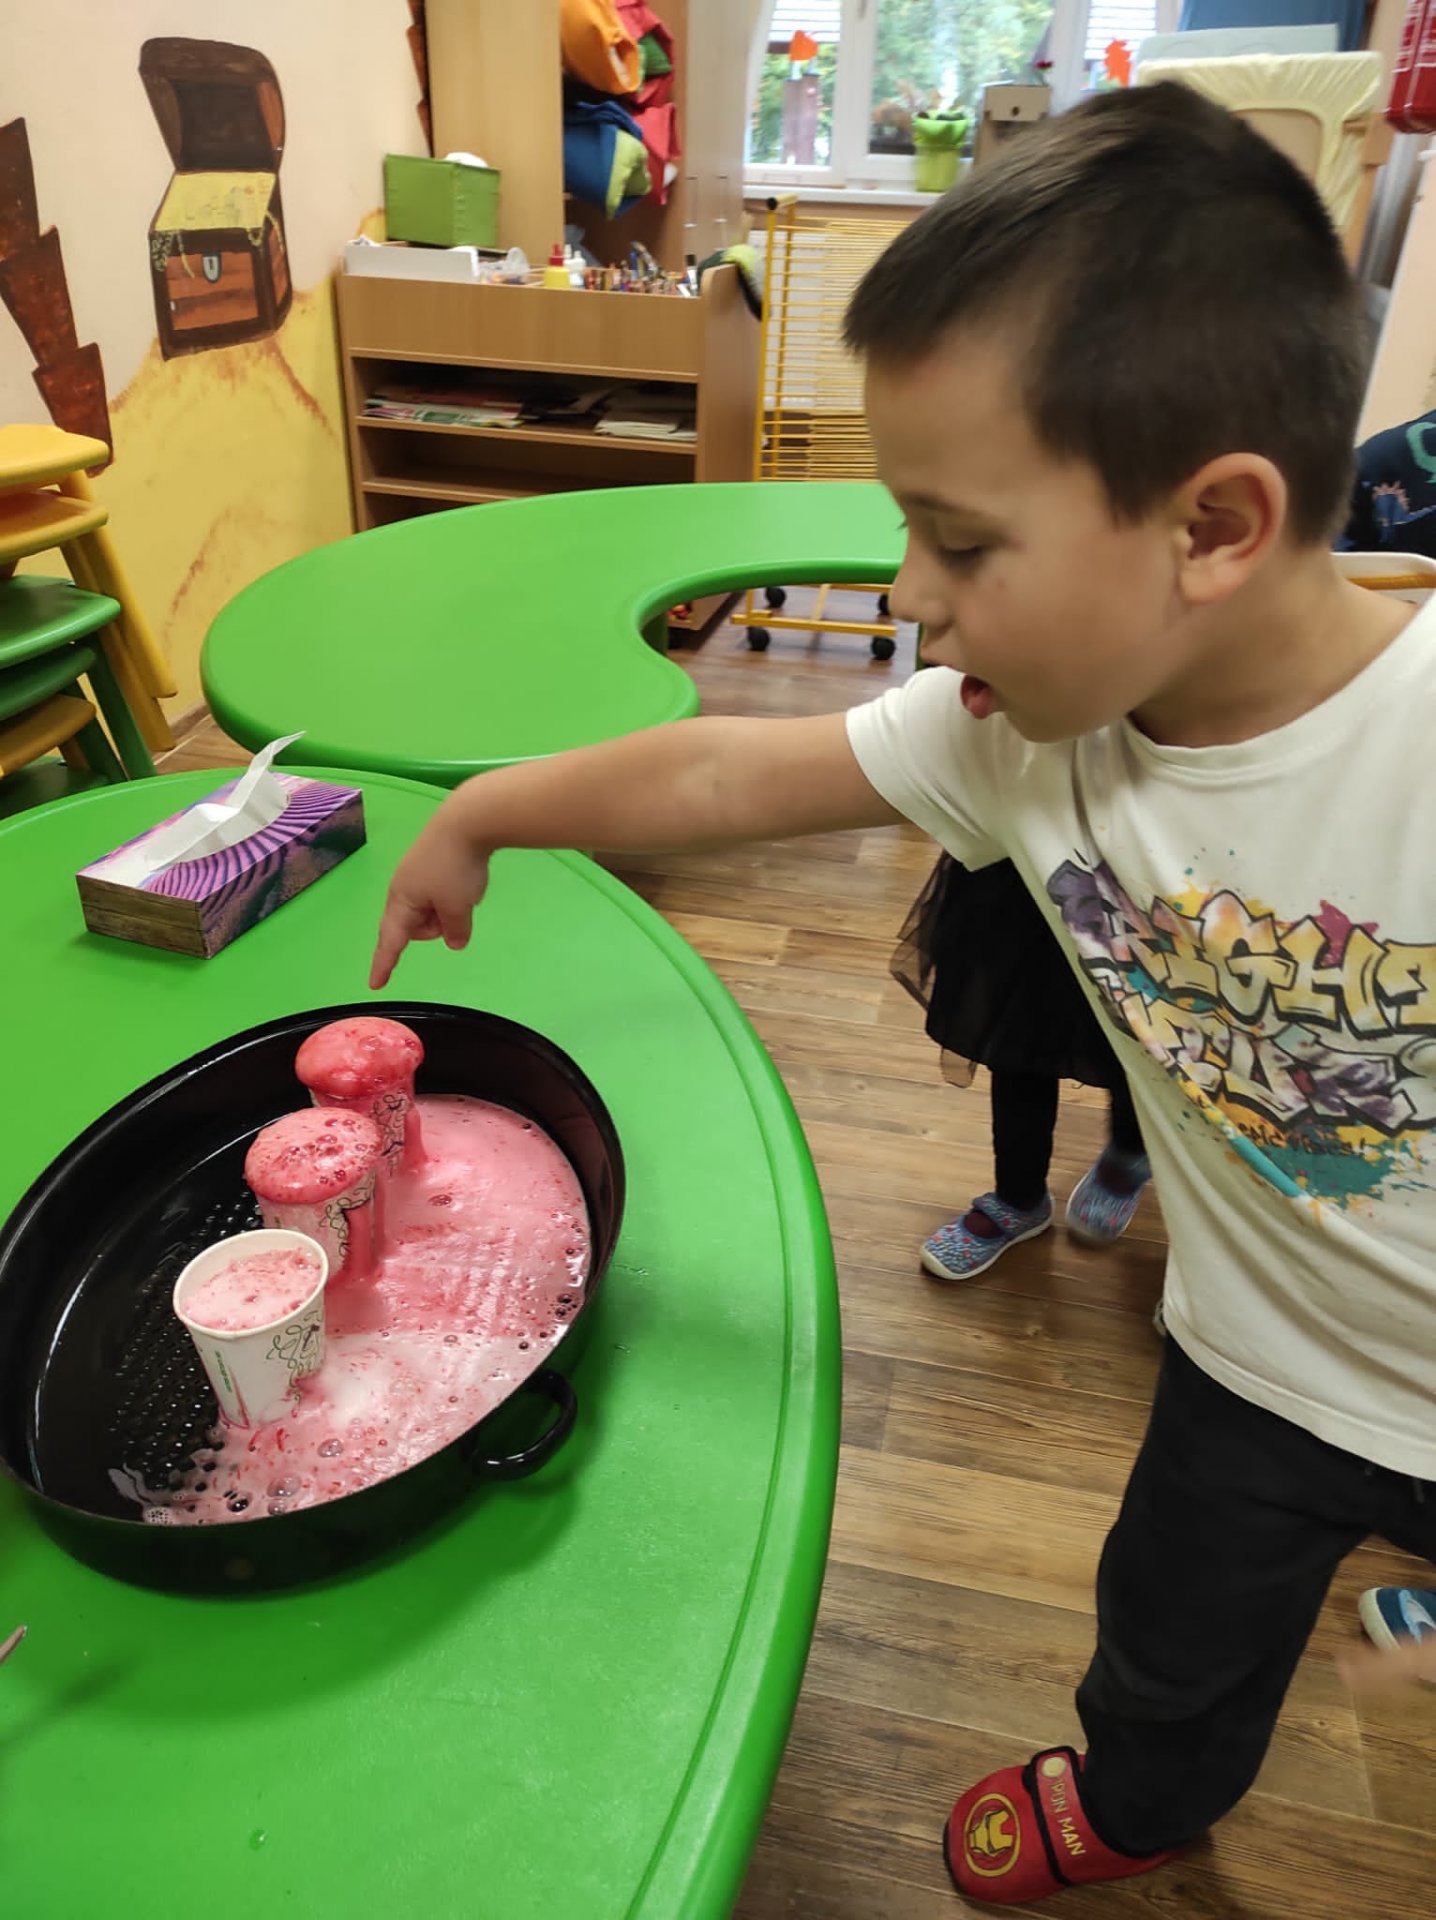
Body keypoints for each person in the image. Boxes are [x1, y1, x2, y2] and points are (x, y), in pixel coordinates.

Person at [372, 84, 1436, 1906]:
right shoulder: (1025, 734)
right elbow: (720, 772)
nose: (908, 598)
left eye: (960, 540)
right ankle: (1141, 1804)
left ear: (1212, 524)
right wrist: (485, 811)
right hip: (1252, 1365)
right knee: (1171, 1634)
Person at [893, 853, 1150, 1279]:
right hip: (1019, 865)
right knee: (1016, 1030)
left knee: (1138, 1037)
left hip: (1140, 871)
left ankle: (1128, 1154)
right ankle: (1019, 1196)